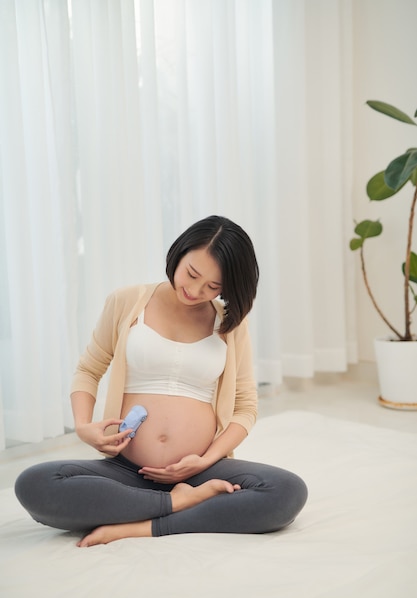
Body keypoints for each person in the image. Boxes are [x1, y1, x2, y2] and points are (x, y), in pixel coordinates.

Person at [15, 215, 308, 547]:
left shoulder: (231, 324)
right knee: (35, 484)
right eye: (192, 274)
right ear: (179, 253)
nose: (195, 291)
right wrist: (83, 425)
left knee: (287, 492)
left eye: (213, 287)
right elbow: (89, 370)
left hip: (199, 472)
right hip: (127, 472)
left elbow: (245, 407)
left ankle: (141, 525)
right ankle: (178, 504)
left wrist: (206, 460)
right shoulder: (127, 301)